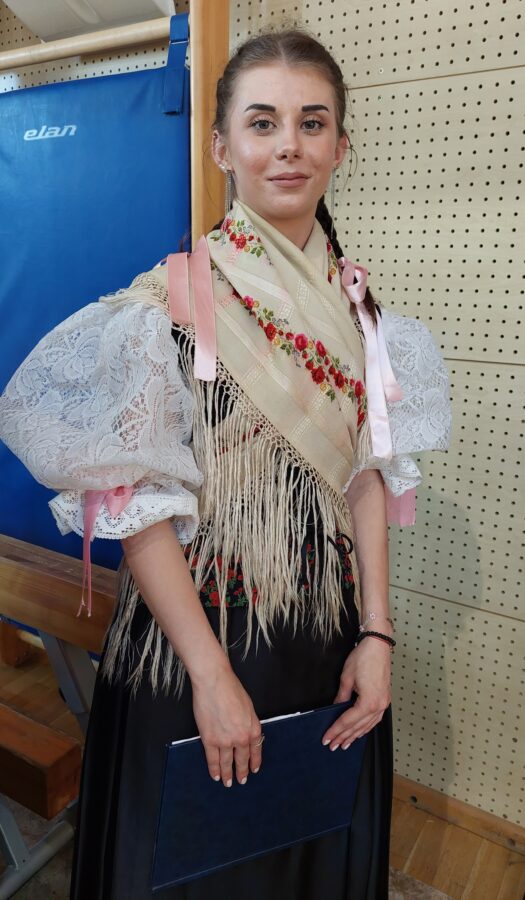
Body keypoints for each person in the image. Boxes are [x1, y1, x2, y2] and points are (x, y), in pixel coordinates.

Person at [0, 28, 450, 900]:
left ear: (339, 147)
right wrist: (210, 678)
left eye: (312, 123)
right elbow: (138, 505)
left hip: (323, 642)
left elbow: (366, 477)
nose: (289, 146)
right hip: (194, 645)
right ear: (221, 148)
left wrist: (377, 634)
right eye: (262, 122)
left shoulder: (364, 317)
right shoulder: (163, 306)